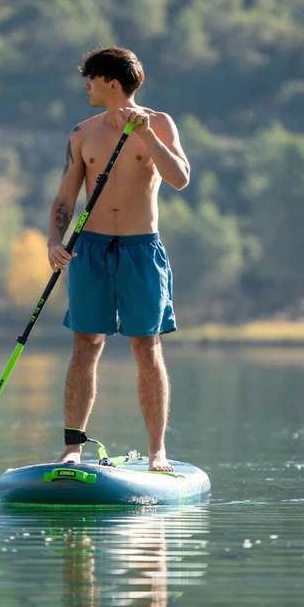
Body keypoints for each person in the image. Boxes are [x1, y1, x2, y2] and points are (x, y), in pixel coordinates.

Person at [47, 47, 190, 472]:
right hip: (88, 250)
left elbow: (180, 178)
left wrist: (146, 135)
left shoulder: (160, 123)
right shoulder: (81, 133)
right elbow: (64, 198)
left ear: (112, 83)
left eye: (90, 79)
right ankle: (73, 446)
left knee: (146, 347)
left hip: (140, 250)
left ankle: (157, 452)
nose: (85, 87)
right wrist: (55, 241)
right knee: (85, 345)